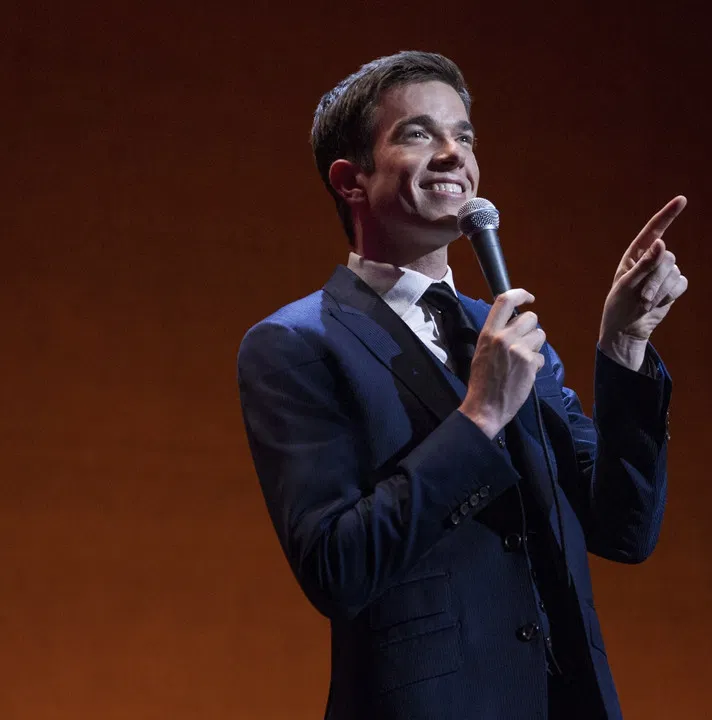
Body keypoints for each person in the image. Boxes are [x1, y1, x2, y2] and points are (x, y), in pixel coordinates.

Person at [236, 51, 688, 720]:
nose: (455, 154)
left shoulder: (507, 334)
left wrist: (624, 344)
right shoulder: (297, 344)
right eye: (419, 134)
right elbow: (337, 566)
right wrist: (479, 417)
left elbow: (624, 529)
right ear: (351, 180)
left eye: (465, 135)